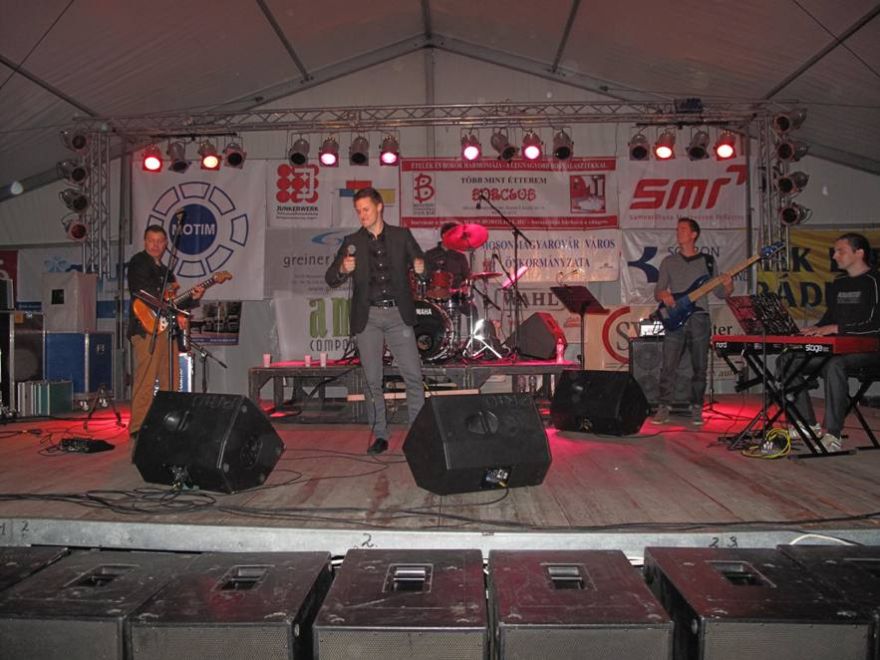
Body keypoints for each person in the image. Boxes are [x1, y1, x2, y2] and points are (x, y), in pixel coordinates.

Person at [325, 188, 426, 455]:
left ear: (379, 207)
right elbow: (330, 277)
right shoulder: (352, 241)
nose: (362, 215)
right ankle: (380, 435)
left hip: (398, 315)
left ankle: (418, 435)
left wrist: (421, 268)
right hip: (367, 317)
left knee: (413, 376)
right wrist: (342, 269)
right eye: (358, 211)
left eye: (366, 209)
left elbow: (422, 264)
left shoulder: (402, 236)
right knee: (373, 381)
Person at [780, 233, 880, 452]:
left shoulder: (875, 281)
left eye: (840, 251)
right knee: (787, 360)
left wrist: (837, 329)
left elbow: (876, 325)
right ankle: (807, 424)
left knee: (834, 364)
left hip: (869, 350)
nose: (834, 256)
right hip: (837, 349)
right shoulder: (839, 283)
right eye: (834, 251)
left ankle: (833, 434)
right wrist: (815, 329)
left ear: (859, 253)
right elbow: (830, 319)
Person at [653, 217, 733, 425]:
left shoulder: (708, 261)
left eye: (682, 229)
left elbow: (720, 293)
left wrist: (728, 285)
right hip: (675, 316)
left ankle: (696, 407)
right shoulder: (668, 262)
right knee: (668, 365)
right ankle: (663, 407)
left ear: (693, 234)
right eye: (677, 229)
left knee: (700, 365)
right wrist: (664, 295)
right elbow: (658, 290)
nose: (678, 232)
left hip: (699, 318)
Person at [128, 224, 203, 446]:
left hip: (166, 329)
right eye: (151, 240)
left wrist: (193, 298)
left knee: (171, 377)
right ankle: (139, 426)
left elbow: (172, 303)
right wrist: (173, 308)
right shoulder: (138, 262)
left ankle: (167, 422)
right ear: (145, 241)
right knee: (146, 378)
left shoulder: (167, 272)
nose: (155, 245)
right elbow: (143, 292)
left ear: (165, 245)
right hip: (146, 328)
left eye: (160, 241)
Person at [424, 221, 471, 290]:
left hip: (456, 294)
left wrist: (464, 286)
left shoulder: (460, 256)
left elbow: (466, 277)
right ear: (444, 235)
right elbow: (424, 276)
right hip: (435, 293)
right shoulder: (430, 254)